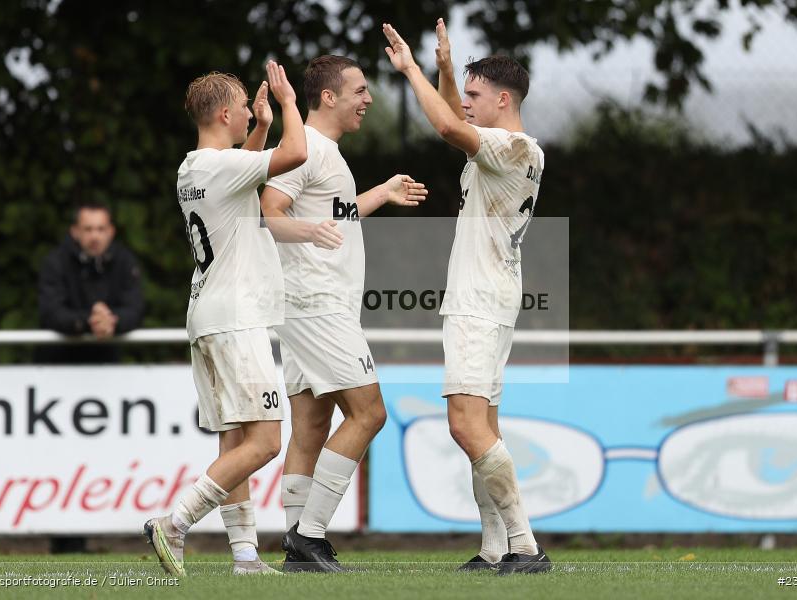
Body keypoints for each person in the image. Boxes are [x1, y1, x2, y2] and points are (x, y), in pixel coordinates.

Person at [383, 21, 551, 575]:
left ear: (504, 100)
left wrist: (411, 69)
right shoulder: (508, 148)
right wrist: (451, 73)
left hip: (481, 300)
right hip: (488, 295)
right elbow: (457, 119)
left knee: (464, 425)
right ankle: (495, 548)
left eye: (478, 97)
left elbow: (449, 127)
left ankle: (525, 547)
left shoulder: (513, 146)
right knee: (483, 425)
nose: (468, 105)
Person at [260, 55, 427, 572]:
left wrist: (381, 192)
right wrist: (307, 233)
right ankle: (308, 536)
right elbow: (269, 210)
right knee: (369, 412)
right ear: (328, 97)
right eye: (358, 90)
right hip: (317, 305)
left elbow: (331, 214)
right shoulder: (307, 147)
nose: (368, 99)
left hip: (307, 305)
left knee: (311, 427)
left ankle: (296, 548)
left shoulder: (323, 152)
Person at [143, 62, 307, 578]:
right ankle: (175, 522)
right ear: (222, 113)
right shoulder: (219, 167)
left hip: (208, 314)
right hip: (237, 318)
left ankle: (244, 557)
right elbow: (296, 152)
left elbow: (245, 165)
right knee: (264, 442)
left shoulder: (195, 167)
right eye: (240, 107)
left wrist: (257, 125)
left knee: (234, 440)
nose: (246, 112)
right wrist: (286, 103)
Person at [37, 202, 144, 363]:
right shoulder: (55, 262)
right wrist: (88, 321)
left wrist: (112, 321)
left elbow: (135, 308)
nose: (95, 236)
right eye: (88, 229)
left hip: (108, 366)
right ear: (75, 232)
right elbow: (51, 311)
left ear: (111, 232)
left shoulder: (125, 262)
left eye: (100, 229)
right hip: (59, 365)